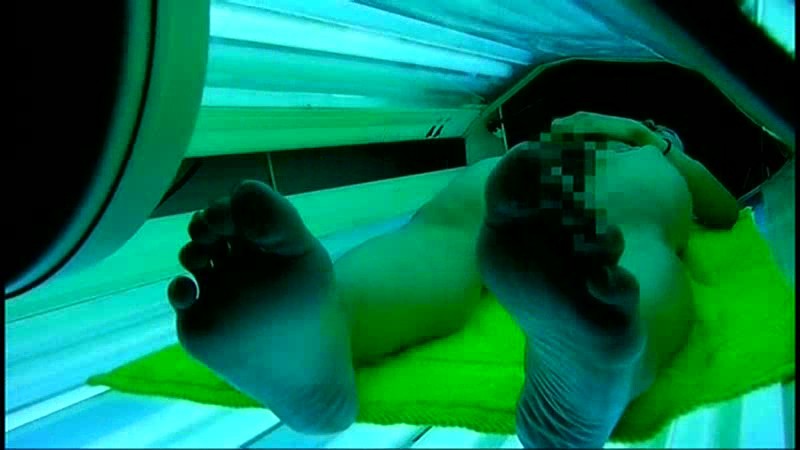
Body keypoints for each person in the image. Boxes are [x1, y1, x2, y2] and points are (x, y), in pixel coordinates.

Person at [166, 111, 740, 448]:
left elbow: (722, 208)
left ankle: (593, 373)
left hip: (612, 173)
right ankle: (322, 333)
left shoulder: (652, 149)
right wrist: (589, 133)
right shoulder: (618, 146)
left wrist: (645, 136)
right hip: (530, 173)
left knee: (620, 238)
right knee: (446, 233)